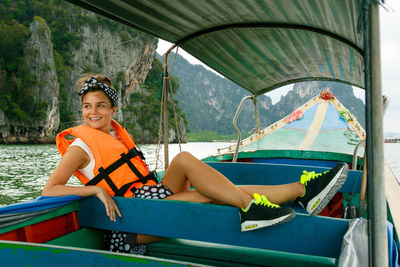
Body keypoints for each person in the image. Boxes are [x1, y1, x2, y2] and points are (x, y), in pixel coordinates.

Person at [42, 73, 349, 255]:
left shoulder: (114, 136)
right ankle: (297, 192)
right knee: (217, 193)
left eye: (100, 106)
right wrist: (94, 191)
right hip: (129, 223)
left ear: (112, 108)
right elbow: (50, 189)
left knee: (186, 161)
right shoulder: (80, 146)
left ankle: (289, 195)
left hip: (149, 200)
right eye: (86, 107)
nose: (92, 113)